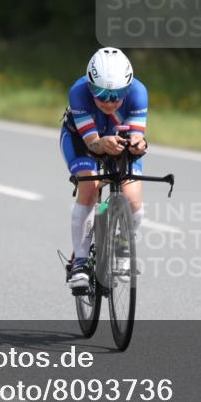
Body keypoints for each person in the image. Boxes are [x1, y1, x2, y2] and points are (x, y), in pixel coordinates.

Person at [60, 47, 147, 289]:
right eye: (100, 94)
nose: (109, 102)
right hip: (82, 141)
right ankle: (79, 260)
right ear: (90, 87)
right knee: (90, 186)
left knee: (133, 202)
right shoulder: (78, 91)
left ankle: (122, 245)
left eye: (117, 95)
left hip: (120, 142)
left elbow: (137, 136)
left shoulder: (139, 92)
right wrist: (101, 143)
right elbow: (92, 143)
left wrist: (138, 145)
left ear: (128, 88)